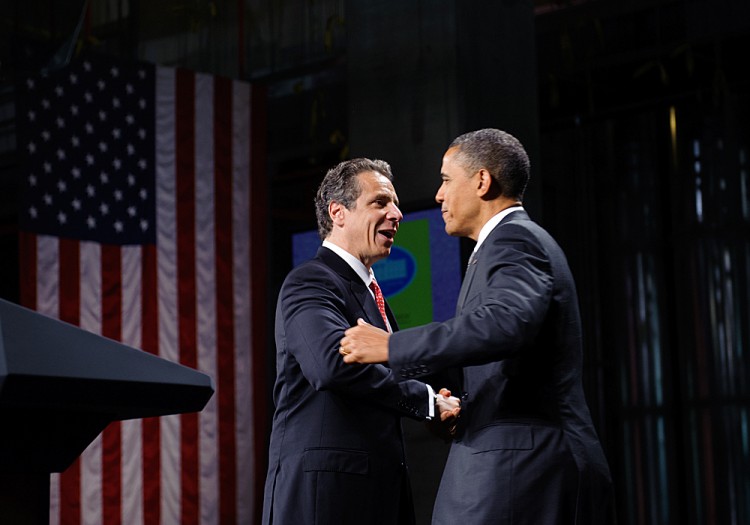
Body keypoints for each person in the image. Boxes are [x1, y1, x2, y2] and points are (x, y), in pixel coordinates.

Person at [340, 130, 613, 524]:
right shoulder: (504, 244)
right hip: (518, 459)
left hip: (521, 465)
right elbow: (511, 360)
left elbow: (503, 324)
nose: (438, 194)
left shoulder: (514, 240)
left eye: (447, 180)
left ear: (482, 182)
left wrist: (391, 346)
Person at [262, 158, 460, 525]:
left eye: (396, 203)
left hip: (375, 495)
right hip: (326, 498)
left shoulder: (371, 293)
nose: (397, 213)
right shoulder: (311, 281)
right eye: (380, 202)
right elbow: (332, 367)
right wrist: (427, 402)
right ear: (338, 212)